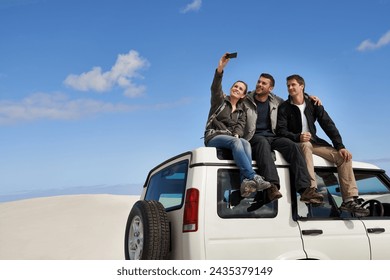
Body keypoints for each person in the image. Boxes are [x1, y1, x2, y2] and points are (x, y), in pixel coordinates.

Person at [276, 74, 369, 216]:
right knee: (306, 145)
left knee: (343, 157)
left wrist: (340, 146)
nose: (290, 88)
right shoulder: (284, 107)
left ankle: (348, 200)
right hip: (297, 143)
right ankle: (311, 190)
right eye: (288, 85)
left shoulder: (314, 103)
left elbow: (328, 125)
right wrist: (298, 137)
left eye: (293, 84)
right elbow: (281, 130)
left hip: (316, 143)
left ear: (302, 86)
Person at [243, 73, 323, 205]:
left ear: (270, 88)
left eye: (264, 83)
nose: (259, 84)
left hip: (274, 137)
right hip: (254, 137)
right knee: (262, 143)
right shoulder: (246, 99)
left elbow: (295, 98)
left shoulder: (276, 101)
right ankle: (272, 187)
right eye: (259, 82)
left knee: (293, 146)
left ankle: (305, 190)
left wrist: (309, 97)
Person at [204, 53, 271, 198]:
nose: (236, 89)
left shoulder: (242, 111)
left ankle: (245, 183)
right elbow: (215, 88)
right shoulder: (220, 101)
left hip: (230, 138)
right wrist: (220, 68)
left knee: (244, 142)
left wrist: (237, 135)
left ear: (243, 95)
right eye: (235, 86)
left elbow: (239, 128)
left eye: (240, 89)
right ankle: (252, 176)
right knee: (237, 141)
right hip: (213, 136)